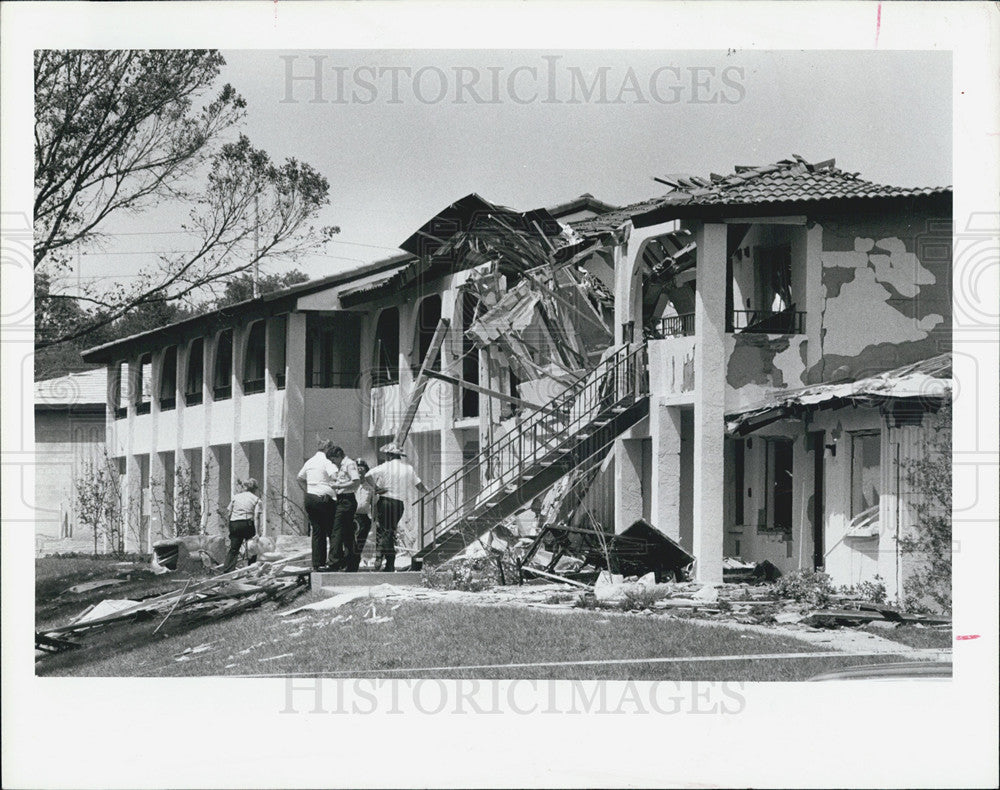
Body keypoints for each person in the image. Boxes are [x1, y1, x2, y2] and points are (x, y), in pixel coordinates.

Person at [366, 442, 428, 572]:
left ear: (389, 455)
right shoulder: (408, 468)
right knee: (389, 531)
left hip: (385, 500)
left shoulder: (385, 466)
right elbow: (419, 485)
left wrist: (376, 488)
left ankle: (379, 554)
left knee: (385, 531)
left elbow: (368, 475)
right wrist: (428, 491)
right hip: (398, 504)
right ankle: (389, 564)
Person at [297, 438, 339, 571]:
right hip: (325, 498)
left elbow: (299, 478)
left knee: (317, 531)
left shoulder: (310, 461)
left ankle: (317, 562)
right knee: (332, 531)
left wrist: (308, 491)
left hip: (311, 498)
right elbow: (335, 477)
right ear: (328, 449)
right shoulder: (328, 462)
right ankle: (334, 561)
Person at [326, 446, 359, 570]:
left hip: (347, 500)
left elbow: (356, 481)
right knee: (348, 533)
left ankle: (334, 562)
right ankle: (352, 562)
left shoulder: (349, 464)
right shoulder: (342, 466)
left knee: (337, 531)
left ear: (339, 456)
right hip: (342, 500)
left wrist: (338, 486)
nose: (333, 462)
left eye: (333, 459)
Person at [222, 478, 262, 573]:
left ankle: (227, 571)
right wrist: (257, 533)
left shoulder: (235, 497)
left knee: (234, 549)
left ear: (244, 487)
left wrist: (230, 526)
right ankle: (251, 570)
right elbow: (256, 517)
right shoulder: (256, 499)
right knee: (252, 547)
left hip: (234, 523)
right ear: (255, 489)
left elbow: (229, 513)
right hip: (247, 523)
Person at [346, 459, 377, 572]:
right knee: (349, 542)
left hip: (363, 518)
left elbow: (374, 505)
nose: (359, 471)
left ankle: (354, 566)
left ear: (366, 472)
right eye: (357, 468)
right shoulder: (349, 486)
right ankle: (348, 564)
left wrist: (374, 520)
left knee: (360, 543)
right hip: (350, 516)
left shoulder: (370, 488)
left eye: (362, 469)